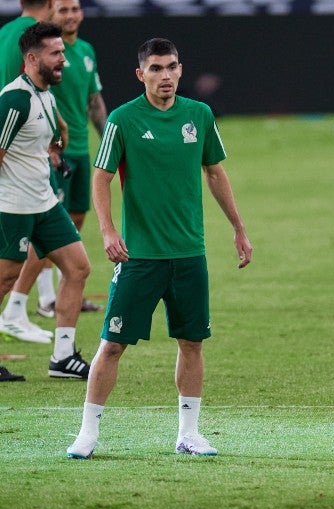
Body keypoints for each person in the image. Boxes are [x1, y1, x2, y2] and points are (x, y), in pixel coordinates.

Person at [66, 38, 252, 458]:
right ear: (141, 74)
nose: (165, 76)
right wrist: (109, 231)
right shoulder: (123, 119)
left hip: (189, 254)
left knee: (192, 343)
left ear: (181, 70)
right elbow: (101, 177)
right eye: (155, 68)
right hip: (139, 257)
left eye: (171, 67)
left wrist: (239, 228)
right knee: (112, 345)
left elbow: (215, 173)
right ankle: (88, 434)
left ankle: (188, 434)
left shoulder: (199, 115)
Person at [0, 0, 107, 343]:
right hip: (16, 201)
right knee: (7, 274)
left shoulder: (46, 93)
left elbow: (48, 130)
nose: (63, 59)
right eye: (56, 54)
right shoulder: (16, 98)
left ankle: (63, 355)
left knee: (78, 266)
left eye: (63, 52)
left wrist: (55, 147)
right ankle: (16, 312)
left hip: (46, 194)